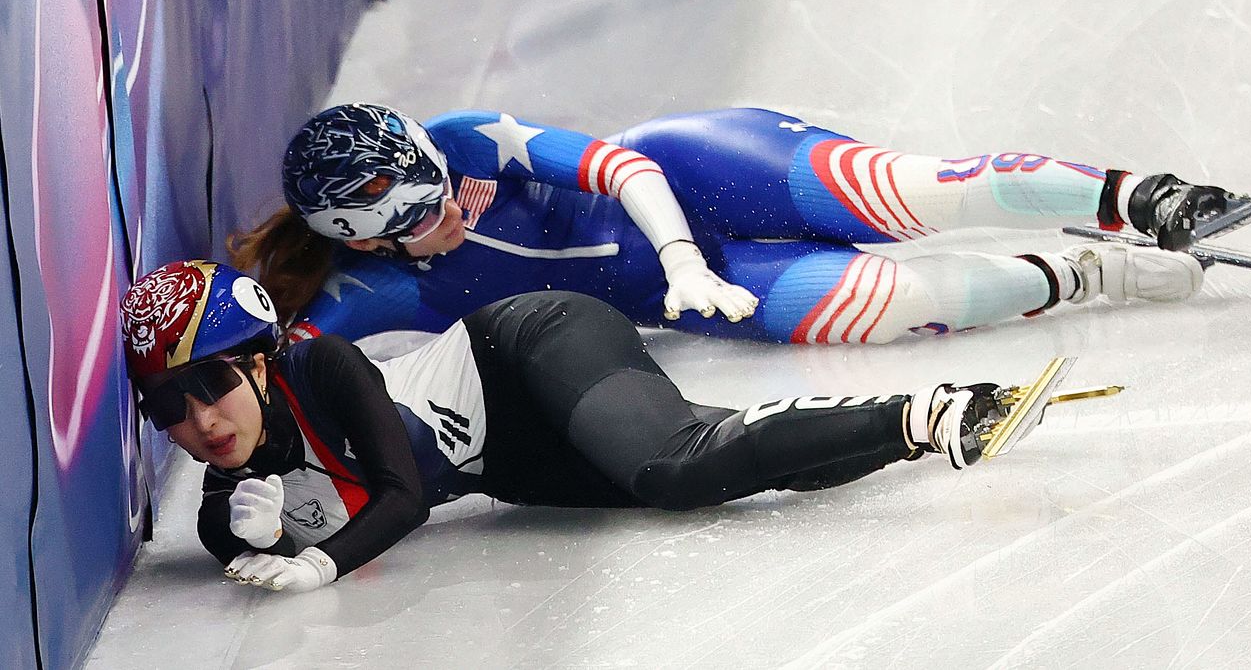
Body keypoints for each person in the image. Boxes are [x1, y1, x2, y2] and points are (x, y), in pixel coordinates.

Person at [122, 260, 1036, 593]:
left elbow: (401, 496)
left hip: (528, 347)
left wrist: (315, 559)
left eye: (210, 383)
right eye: (170, 407)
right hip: (510, 458)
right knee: (712, 469)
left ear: (257, 359)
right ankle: (917, 421)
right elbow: (232, 539)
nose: (200, 420)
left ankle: (930, 414)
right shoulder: (223, 502)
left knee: (673, 467)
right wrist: (265, 530)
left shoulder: (324, 365)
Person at [231, 103, 1225, 346]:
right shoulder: (374, 290)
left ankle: (1137, 197)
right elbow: (277, 362)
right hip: (689, 294)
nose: (460, 202)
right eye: (429, 213)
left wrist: (673, 253)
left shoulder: (465, 140)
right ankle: (1088, 275)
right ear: (366, 241)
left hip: (705, 177)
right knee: (877, 305)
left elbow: (617, 165)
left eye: (449, 181)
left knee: (908, 192)